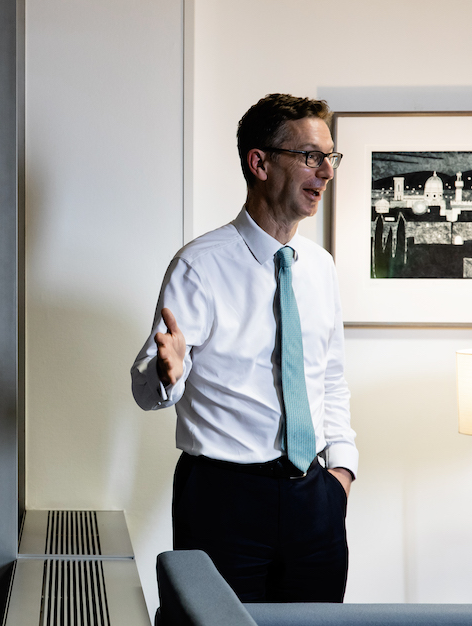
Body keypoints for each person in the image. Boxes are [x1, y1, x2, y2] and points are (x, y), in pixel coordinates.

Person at [130, 94, 358, 603]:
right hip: (222, 502)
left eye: (330, 157)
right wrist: (169, 375)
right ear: (259, 163)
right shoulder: (200, 266)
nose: (325, 172)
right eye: (310, 157)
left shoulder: (320, 268)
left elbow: (331, 379)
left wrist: (340, 472)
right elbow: (147, 388)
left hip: (314, 499)